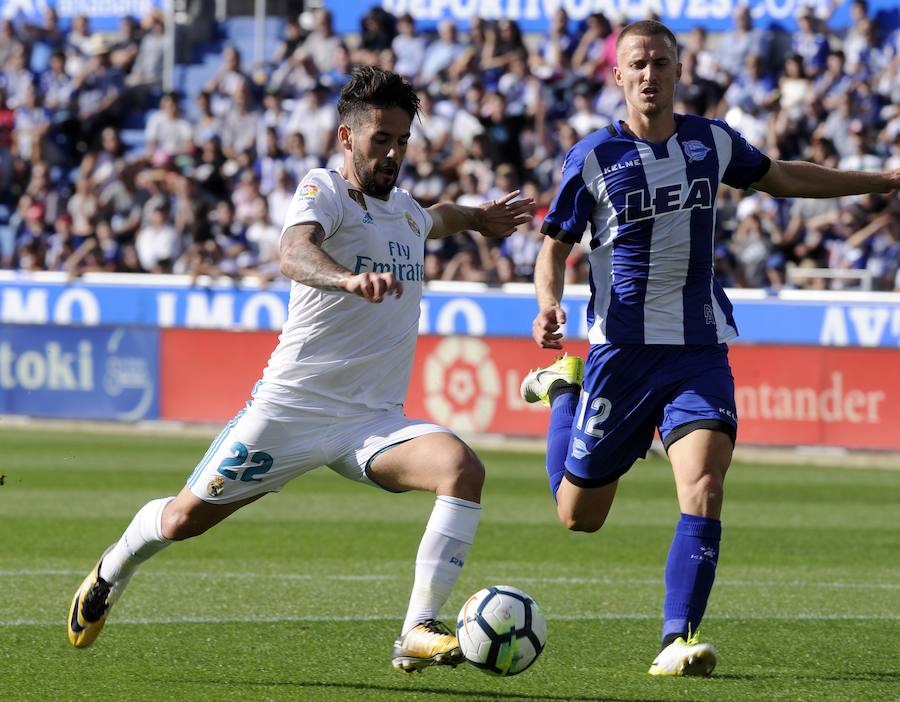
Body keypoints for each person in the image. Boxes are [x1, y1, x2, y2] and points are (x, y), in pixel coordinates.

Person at [68, 66, 535, 672]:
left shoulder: (406, 214)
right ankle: (113, 566)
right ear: (347, 137)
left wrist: (477, 217)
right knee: (183, 520)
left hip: (370, 422)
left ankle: (417, 627)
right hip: (291, 410)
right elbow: (292, 252)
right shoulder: (325, 190)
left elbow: (436, 217)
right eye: (381, 140)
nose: (393, 153)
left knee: (462, 469)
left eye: (402, 140)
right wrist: (346, 279)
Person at [519, 19, 900, 678]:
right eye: (637, 64)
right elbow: (553, 246)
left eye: (661, 63)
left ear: (677, 70)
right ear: (618, 75)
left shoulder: (709, 140)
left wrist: (886, 181)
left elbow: (783, 178)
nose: (649, 74)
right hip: (621, 353)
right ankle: (563, 390)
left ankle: (676, 639)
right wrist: (546, 302)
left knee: (704, 484)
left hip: (698, 346)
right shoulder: (592, 158)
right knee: (579, 517)